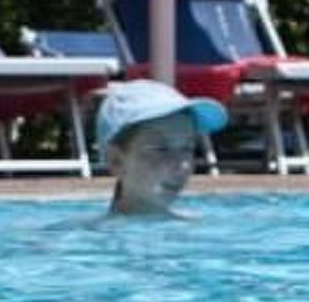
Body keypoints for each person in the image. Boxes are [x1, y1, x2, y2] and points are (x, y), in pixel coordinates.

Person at [95, 79, 229, 217]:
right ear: (117, 162)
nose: (182, 165)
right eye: (160, 149)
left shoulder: (200, 222)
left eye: (187, 148)